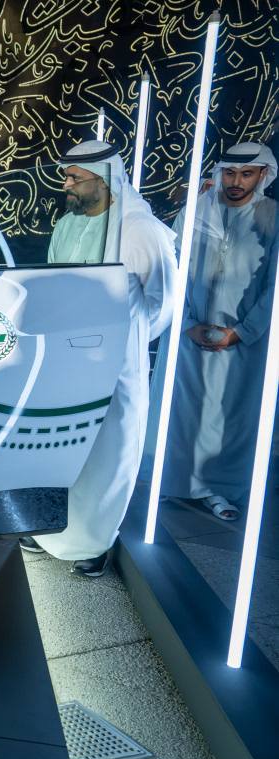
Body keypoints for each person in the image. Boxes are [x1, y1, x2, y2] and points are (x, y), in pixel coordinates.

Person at [24, 140, 177, 576]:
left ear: (105, 179)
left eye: (75, 177)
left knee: (109, 450)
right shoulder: (65, 225)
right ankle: (52, 531)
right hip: (65, 357)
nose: (66, 185)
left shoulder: (139, 229)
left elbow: (162, 301)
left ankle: (93, 542)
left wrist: (128, 339)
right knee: (64, 446)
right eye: (66, 176)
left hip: (118, 361)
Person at [160, 141, 278, 520]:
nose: (236, 182)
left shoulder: (272, 217)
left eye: (246, 174)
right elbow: (170, 270)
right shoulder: (195, 212)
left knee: (229, 418)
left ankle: (219, 490)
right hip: (189, 333)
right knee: (182, 412)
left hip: (243, 340)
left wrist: (240, 332)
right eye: (229, 173)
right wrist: (187, 324)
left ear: (263, 174)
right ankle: (174, 483)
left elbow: (275, 287)